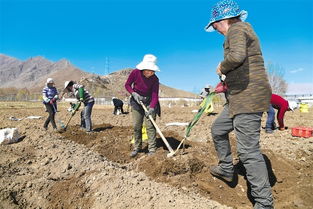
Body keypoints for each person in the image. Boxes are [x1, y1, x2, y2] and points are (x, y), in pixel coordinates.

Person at [204, 0, 274, 208]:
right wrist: (224, 84)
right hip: (239, 96)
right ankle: (227, 168)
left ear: (223, 20)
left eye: (214, 25)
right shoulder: (242, 31)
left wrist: (221, 67)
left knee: (248, 152)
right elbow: (242, 65)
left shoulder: (236, 29)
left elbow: (236, 57)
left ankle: (264, 202)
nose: (215, 29)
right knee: (218, 129)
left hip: (248, 97)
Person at [125, 54, 161, 157]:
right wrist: (133, 93)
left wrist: (152, 108)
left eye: (152, 71)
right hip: (136, 102)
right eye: (149, 71)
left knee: (150, 126)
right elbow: (127, 85)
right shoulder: (135, 73)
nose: (150, 73)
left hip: (150, 102)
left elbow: (155, 95)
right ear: (143, 68)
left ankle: (152, 149)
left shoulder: (155, 79)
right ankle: (137, 147)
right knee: (137, 126)